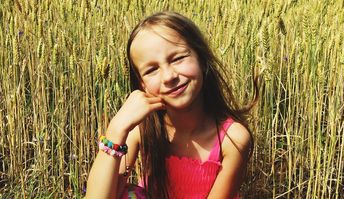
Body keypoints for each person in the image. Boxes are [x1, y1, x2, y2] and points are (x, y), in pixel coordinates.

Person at [86, 11, 259, 199]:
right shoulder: (143, 127)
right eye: (152, 70)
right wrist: (116, 130)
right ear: (142, 83)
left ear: (201, 58)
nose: (169, 77)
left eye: (178, 59)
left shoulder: (232, 139)